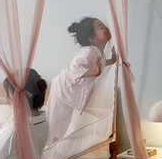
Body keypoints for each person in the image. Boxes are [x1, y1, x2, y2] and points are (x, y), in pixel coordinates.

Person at [45, 17, 117, 145]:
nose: (106, 27)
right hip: (62, 89)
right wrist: (95, 73)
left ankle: (52, 148)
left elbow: (100, 63)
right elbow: (75, 68)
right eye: (101, 27)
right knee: (52, 124)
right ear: (92, 38)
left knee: (62, 127)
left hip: (69, 95)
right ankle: (43, 150)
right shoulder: (88, 52)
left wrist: (112, 60)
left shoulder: (98, 53)